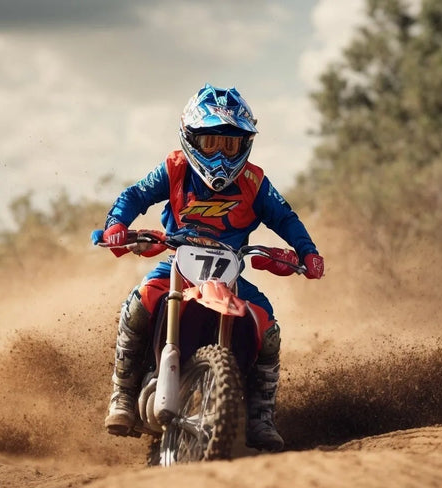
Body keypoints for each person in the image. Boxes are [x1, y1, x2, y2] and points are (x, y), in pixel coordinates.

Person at [99, 83, 325, 452]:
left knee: (266, 326)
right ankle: (122, 395)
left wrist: (307, 251)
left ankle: (260, 415)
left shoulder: (254, 181)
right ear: (191, 139)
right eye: (211, 143)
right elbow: (135, 195)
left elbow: (285, 218)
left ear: (245, 145)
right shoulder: (175, 168)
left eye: (231, 145)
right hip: (178, 264)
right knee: (140, 302)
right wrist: (116, 225)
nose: (221, 154)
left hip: (229, 273)